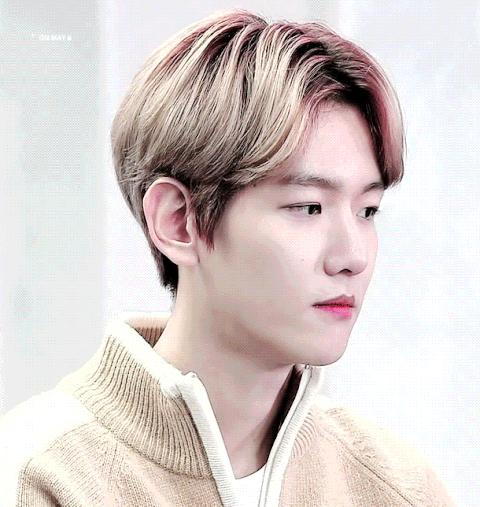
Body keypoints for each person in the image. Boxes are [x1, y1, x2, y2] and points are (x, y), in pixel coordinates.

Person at [0, 8, 457, 507]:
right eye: (308, 207)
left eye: (367, 210)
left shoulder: (398, 488)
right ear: (179, 221)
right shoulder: (40, 476)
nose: (353, 256)